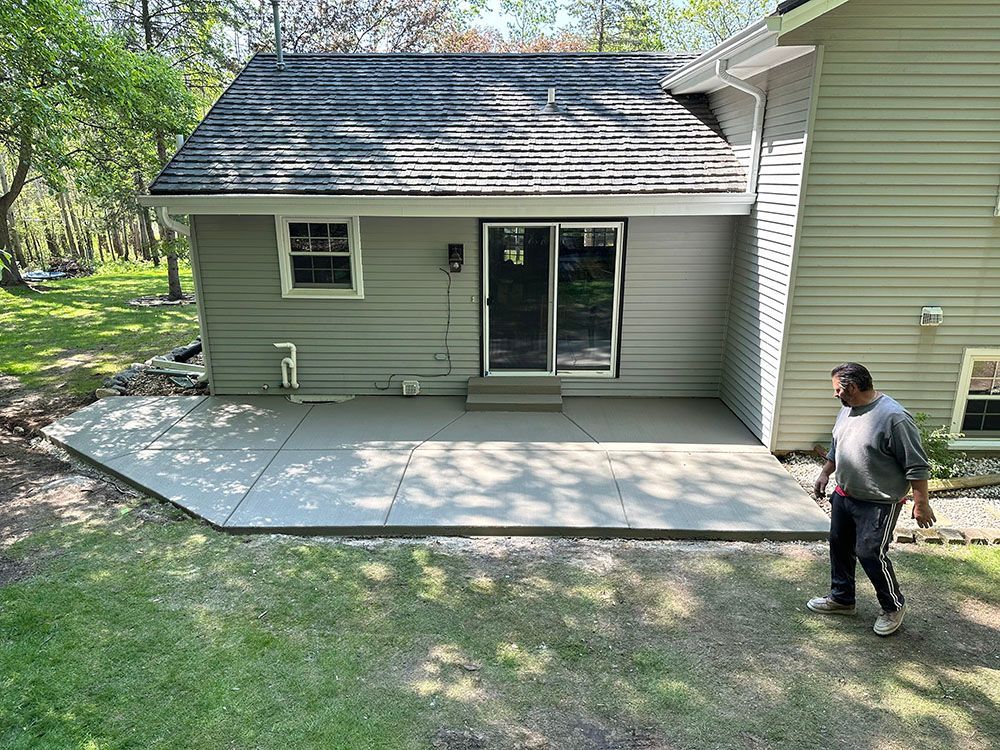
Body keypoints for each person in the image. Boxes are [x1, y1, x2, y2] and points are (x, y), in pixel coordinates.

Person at [807, 362, 936, 636]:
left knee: (870, 553)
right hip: (844, 495)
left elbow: (917, 465)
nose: (835, 395)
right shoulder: (847, 409)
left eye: (838, 389)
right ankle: (842, 599)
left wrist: (921, 503)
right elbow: (837, 445)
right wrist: (825, 473)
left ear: (852, 387)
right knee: (840, 546)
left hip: (878, 502)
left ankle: (893, 606)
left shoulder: (895, 418)